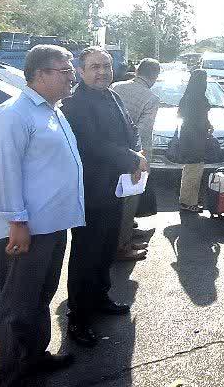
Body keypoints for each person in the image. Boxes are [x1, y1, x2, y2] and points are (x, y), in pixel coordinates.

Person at [0, 45, 86, 386]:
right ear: (40, 74)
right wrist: (17, 222)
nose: (72, 77)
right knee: (16, 308)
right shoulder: (13, 114)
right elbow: (4, 172)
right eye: (65, 71)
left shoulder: (52, 111)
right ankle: (7, 378)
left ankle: (33, 359)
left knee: (39, 298)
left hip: (51, 225)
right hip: (25, 229)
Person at [61, 47, 149, 347]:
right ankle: (78, 317)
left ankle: (100, 298)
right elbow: (92, 144)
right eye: (95, 67)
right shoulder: (76, 104)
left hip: (115, 189)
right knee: (86, 254)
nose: (102, 72)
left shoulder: (112, 96)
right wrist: (132, 159)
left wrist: (137, 152)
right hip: (91, 191)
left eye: (106, 66)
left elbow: (131, 129)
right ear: (81, 71)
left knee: (106, 249)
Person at [111, 58, 162, 261]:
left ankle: (120, 237)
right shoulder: (151, 98)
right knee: (129, 200)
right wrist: (141, 161)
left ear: (138, 70)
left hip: (111, 151)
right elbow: (143, 133)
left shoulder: (116, 87)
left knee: (114, 200)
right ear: (154, 76)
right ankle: (122, 247)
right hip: (132, 155)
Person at [175, 69, 213, 213]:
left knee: (190, 171)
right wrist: (207, 126)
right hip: (196, 140)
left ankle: (189, 200)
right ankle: (188, 203)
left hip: (188, 137)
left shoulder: (187, 96)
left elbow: (181, 115)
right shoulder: (199, 98)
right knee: (193, 172)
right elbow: (201, 119)